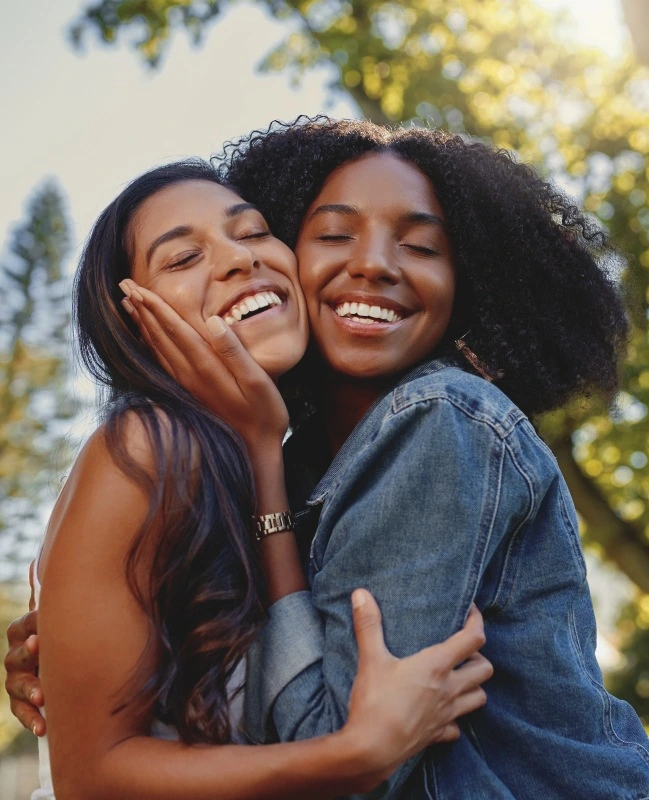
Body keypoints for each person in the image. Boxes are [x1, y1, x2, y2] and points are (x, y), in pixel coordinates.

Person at [7, 117, 649, 797]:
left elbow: (330, 743)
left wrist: (357, 750)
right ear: (129, 316)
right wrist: (89, 653)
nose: (372, 263)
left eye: (251, 233)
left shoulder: (434, 420)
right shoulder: (230, 462)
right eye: (335, 235)